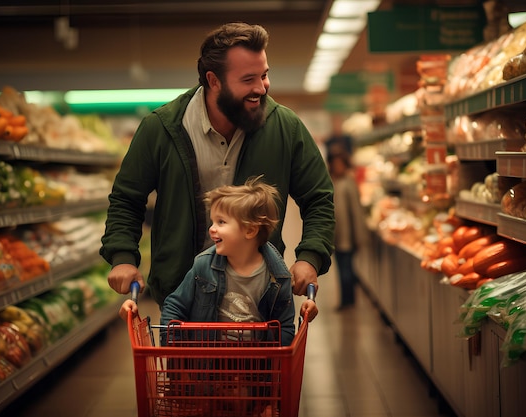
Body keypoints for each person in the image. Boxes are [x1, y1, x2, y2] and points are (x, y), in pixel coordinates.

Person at [102, 22, 335, 311]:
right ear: (214, 81)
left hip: (259, 300)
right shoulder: (162, 128)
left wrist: (309, 256)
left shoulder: (284, 128)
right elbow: (127, 198)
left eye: (264, 75)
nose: (261, 88)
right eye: (248, 79)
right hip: (182, 300)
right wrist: (123, 257)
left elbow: (319, 198)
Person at [119, 177, 318, 342]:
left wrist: (277, 365)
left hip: (257, 367)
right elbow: (174, 305)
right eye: (213, 221)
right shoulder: (203, 266)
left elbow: (284, 325)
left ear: (250, 230)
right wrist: (175, 350)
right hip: (210, 364)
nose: (212, 229)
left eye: (221, 222)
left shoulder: (277, 276)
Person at [327, 151, 364, 311]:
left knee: (346, 270)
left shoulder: (349, 184)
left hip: (348, 235)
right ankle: (346, 299)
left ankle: (348, 301)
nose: (337, 167)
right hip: (336, 235)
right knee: (342, 269)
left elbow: (356, 211)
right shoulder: (330, 183)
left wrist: (359, 235)